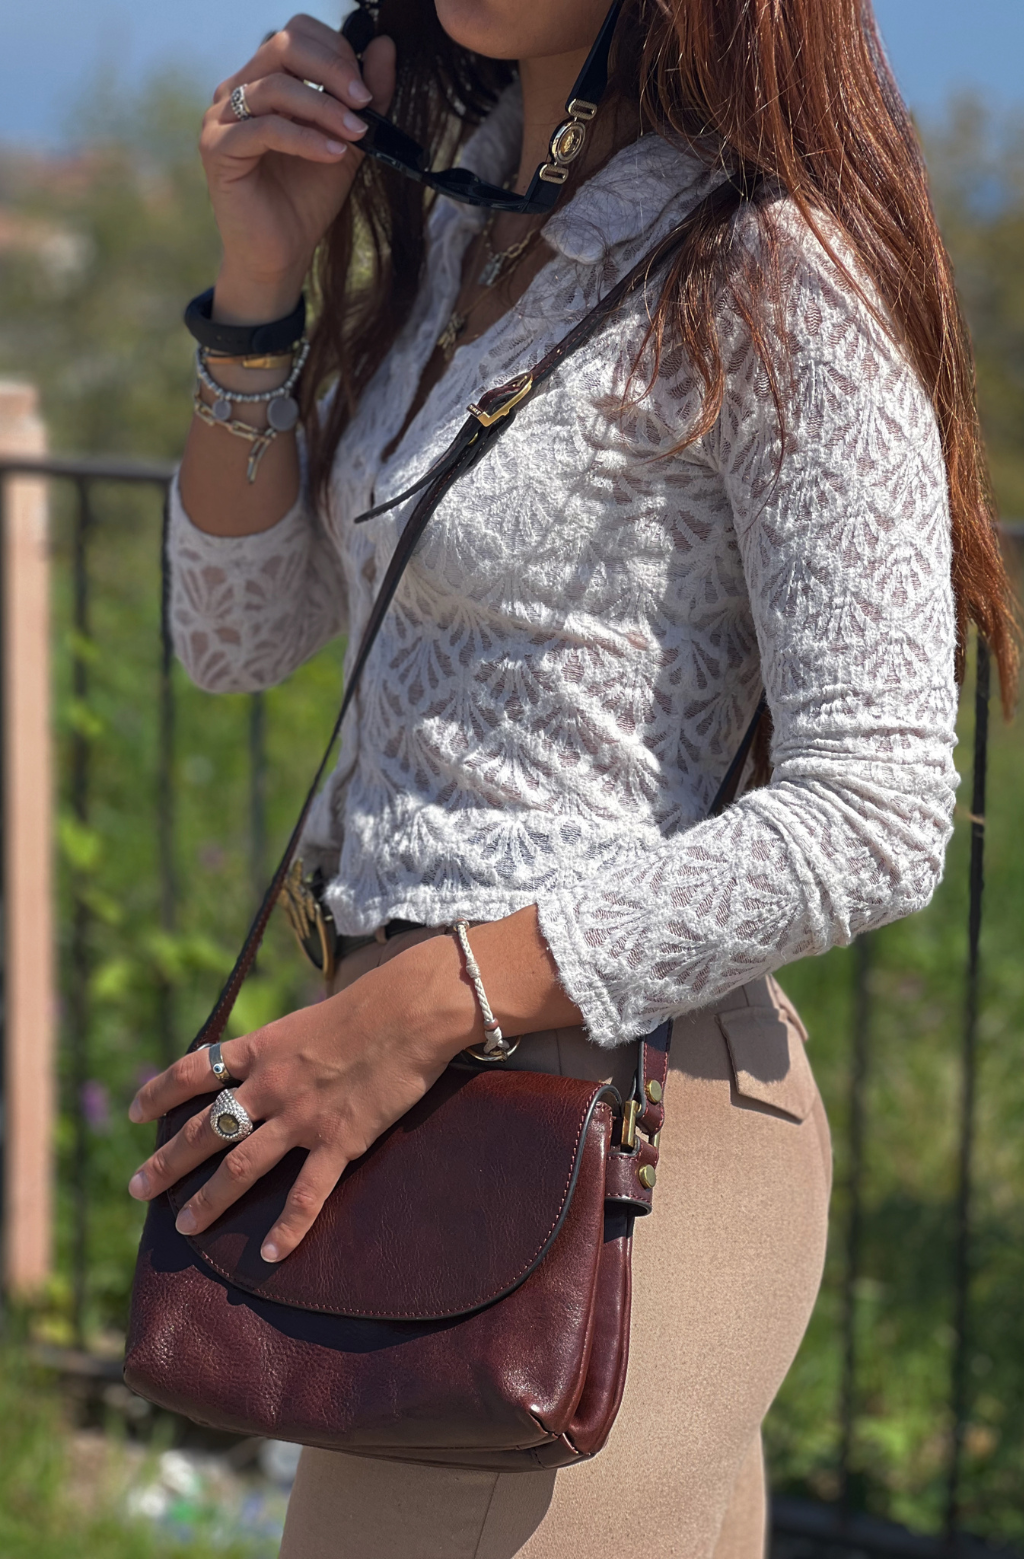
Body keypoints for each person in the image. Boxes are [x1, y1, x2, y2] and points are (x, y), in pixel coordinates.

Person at [125, 1, 1019, 1554]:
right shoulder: (468, 222)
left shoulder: (775, 264)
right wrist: (261, 287)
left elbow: (876, 809)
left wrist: (422, 1002)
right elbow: (235, 634)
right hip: (447, 1124)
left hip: (610, 1120)